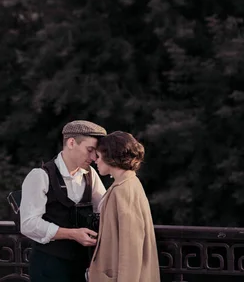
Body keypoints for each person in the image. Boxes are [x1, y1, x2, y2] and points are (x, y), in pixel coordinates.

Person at [20, 120, 108, 282]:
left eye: (96, 152)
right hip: (48, 265)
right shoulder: (40, 176)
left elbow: (105, 209)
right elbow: (28, 224)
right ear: (71, 142)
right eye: (90, 150)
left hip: (82, 265)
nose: (94, 157)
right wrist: (72, 234)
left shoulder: (91, 175)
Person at [88, 131, 160, 282]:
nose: (95, 160)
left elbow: (131, 246)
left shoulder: (124, 190)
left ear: (110, 158)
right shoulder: (124, 184)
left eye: (99, 156)